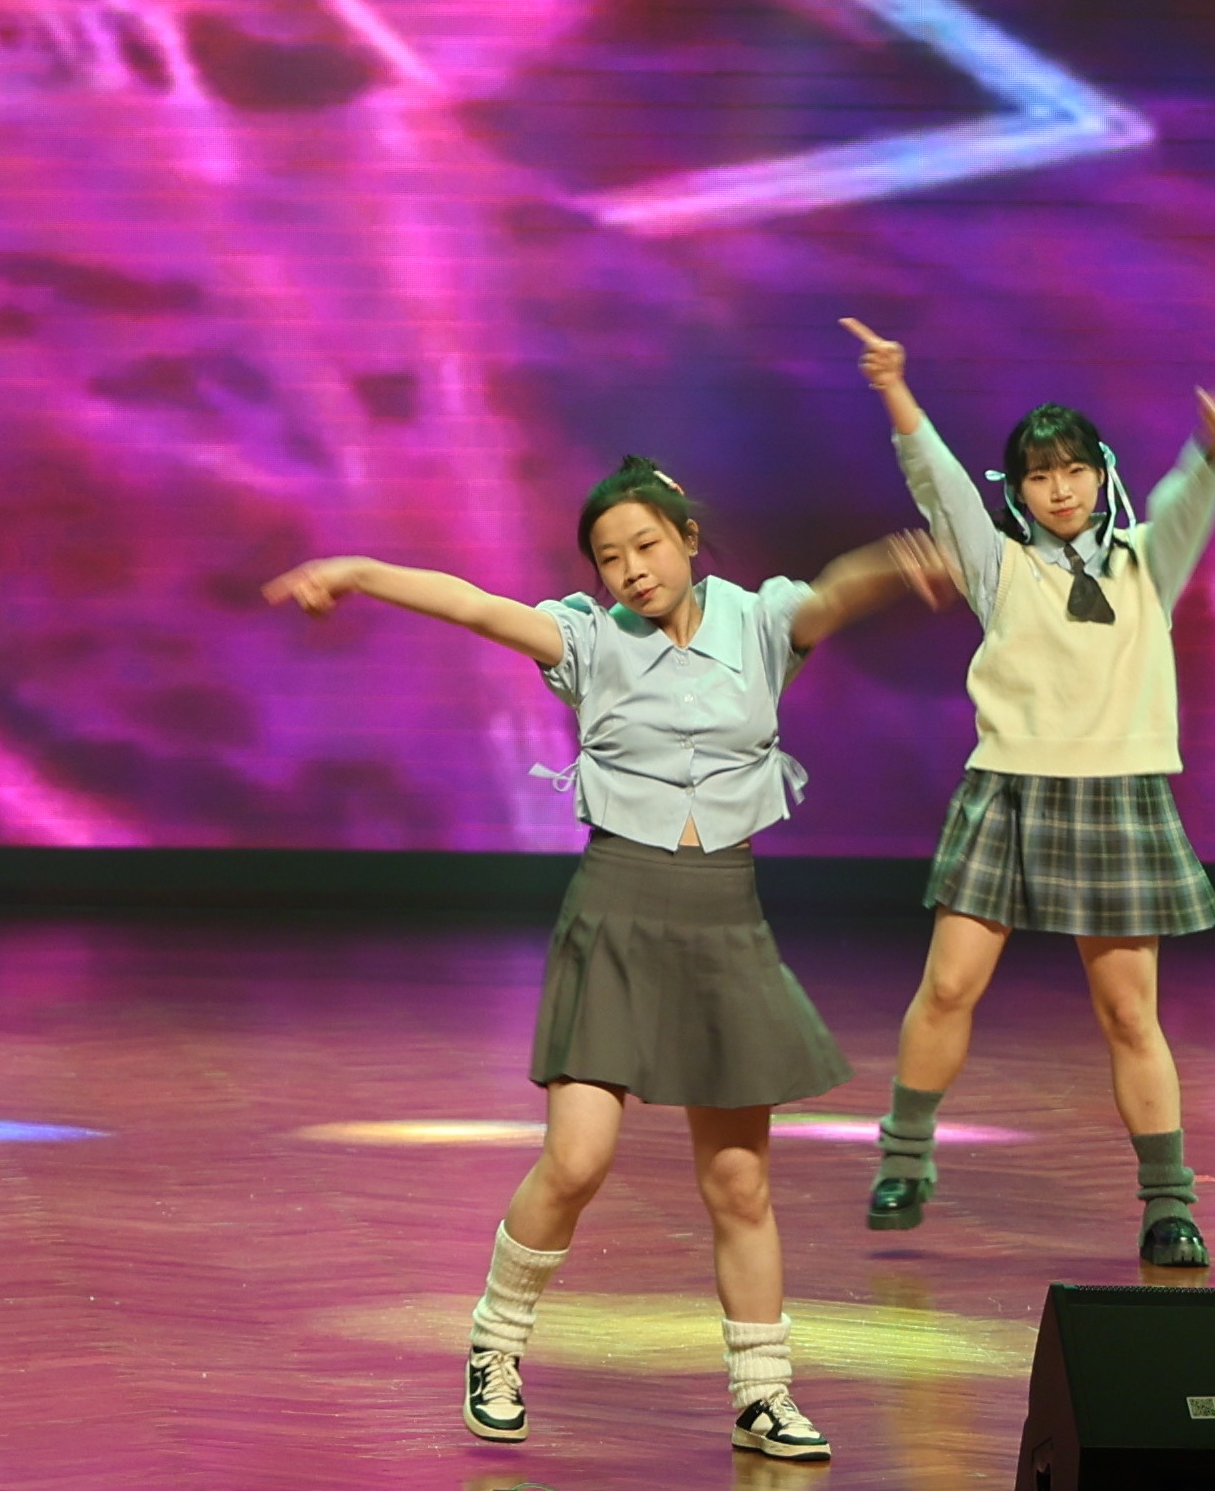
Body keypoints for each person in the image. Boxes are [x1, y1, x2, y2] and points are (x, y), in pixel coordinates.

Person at [267, 462, 947, 1463]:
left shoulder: (760, 622)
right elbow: (473, 606)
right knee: (578, 1159)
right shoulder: (589, 638)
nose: (631, 569)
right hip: (617, 910)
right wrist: (361, 571)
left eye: (647, 545)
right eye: (609, 557)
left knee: (739, 1183)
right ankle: (496, 1346)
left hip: (725, 918)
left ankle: (763, 1394)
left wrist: (897, 564)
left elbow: (837, 592)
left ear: (688, 538)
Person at [843, 318, 1215, 1263]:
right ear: (1019, 490)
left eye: (1074, 470)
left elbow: (1188, 500)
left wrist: (1211, 447)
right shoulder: (1001, 564)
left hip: (1118, 797)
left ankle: (1169, 1205)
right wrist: (896, 387)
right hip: (1010, 790)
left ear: (1101, 475)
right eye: (1039, 476)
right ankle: (905, 1157)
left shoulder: (1148, 559)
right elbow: (939, 484)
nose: (1060, 489)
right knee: (949, 984)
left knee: (1129, 1014)